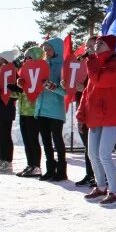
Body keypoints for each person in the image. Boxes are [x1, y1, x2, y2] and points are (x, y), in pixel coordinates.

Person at [78, 35, 116, 206]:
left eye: (101, 43)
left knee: (104, 154)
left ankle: (114, 192)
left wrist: (91, 60)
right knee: (92, 153)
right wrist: (81, 115)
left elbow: (101, 81)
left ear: (111, 47)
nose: (96, 45)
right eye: (96, 43)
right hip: (95, 116)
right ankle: (101, 187)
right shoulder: (95, 65)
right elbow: (87, 93)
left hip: (112, 115)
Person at [36, 38, 68, 182]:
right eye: (45, 50)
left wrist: (54, 87)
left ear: (57, 49)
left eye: (48, 49)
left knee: (57, 141)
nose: (46, 52)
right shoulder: (42, 65)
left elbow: (67, 91)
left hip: (55, 111)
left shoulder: (63, 66)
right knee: (46, 142)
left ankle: (61, 171)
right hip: (41, 109)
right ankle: (50, 169)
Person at [15, 47, 43, 178]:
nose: (26, 60)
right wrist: (16, 87)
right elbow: (21, 90)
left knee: (33, 139)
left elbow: (38, 89)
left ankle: (36, 166)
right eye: (25, 57)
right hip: (23, 110)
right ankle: (30, 164)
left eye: (29, 57)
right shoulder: (23, 71)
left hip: (33, 110)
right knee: (26, 140)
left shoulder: (40, 71)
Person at [73, 37, 97, 187]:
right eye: (86, 47)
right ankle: (90, 174)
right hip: (82, 109)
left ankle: (100, 176)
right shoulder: (84, 64)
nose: (87, 49)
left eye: (91, 46)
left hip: (94, 111)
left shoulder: (100, 64)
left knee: (94, 148)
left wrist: (86, 90)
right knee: (88, 147)